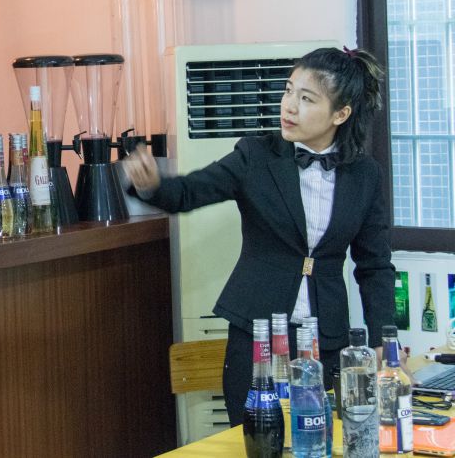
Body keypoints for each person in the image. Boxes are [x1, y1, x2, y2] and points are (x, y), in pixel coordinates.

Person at [123, 46, 395, 426]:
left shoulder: (365, 175)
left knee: (323, 438)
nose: (289, 106)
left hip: (327, 338)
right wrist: (152, 186)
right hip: (257, 335)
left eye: (306, 99)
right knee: (255, 438)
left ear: (340, 114)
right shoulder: (256, 155)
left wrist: (384, 339)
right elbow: (191, 191)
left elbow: (375, 265)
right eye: (288, 91)